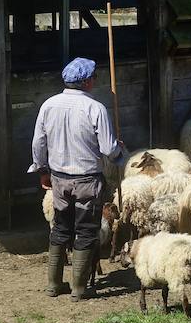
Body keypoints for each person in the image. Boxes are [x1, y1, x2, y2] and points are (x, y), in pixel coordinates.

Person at [30, 57, 124, 299]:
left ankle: (53, 285)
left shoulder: (49, 105)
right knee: (85, 229)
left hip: (59, 178)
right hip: (87, 180)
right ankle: (79, 289)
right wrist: (119, 152)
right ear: (87, 82)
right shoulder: (96, 108)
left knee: (60, 227)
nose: (95, 81)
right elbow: (108, 148)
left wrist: (42, 171)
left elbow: (38, 142)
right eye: (94, 77)